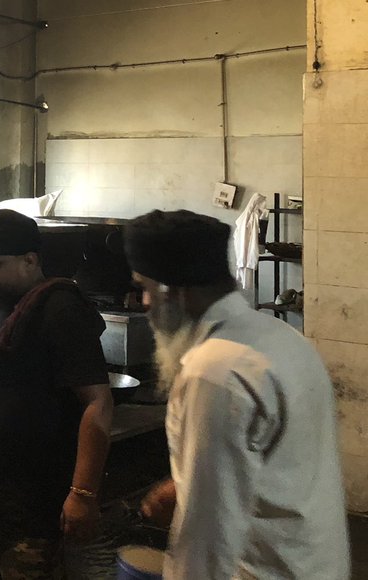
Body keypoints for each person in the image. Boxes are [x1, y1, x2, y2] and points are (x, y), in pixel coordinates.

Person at [125, 210, 350, 580]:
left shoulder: (214, 371)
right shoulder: (281, 337)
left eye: (144, 288)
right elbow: (274, 460)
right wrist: (185, 482)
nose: (143, 303)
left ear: (171, 291)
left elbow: (208, 536)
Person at [0, 209, 113, 579]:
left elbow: (98, 402)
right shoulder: (2, 305)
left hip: (30, 502)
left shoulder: (61, 308)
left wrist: (83, 494)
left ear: (30, 260)